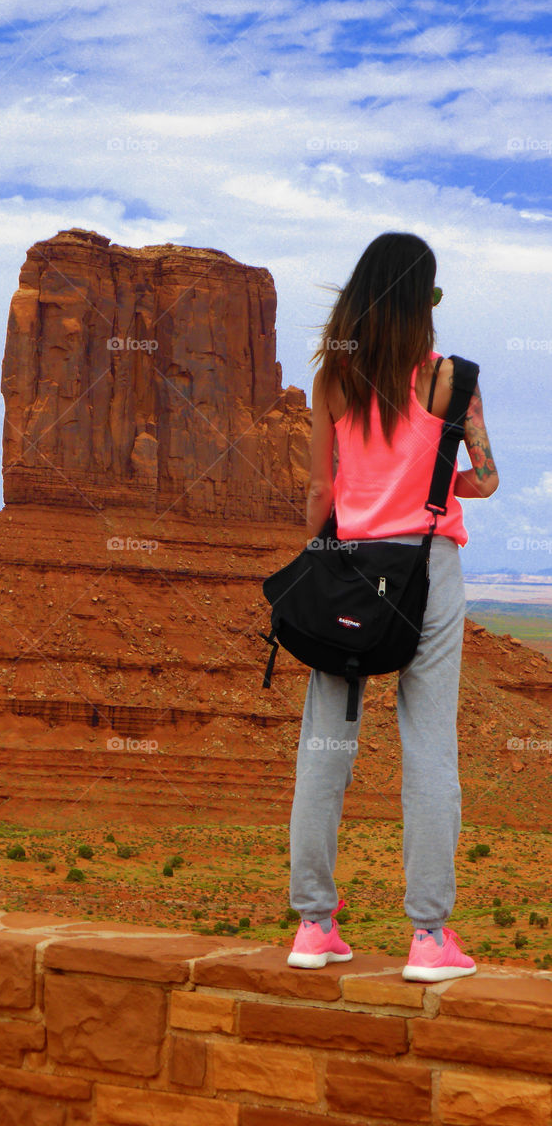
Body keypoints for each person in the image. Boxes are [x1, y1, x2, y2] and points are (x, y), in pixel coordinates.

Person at [287, 231, 499, 983]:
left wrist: (312, 571)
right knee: (429, 746)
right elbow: (485, 480)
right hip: (427, 570)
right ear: (424, 300)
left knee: (325, 747)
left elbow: (319, 491)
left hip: (346, 568)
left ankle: (314, 926)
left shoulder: (333, 377)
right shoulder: (452, 380)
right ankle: (427, 940)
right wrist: (426, 485)